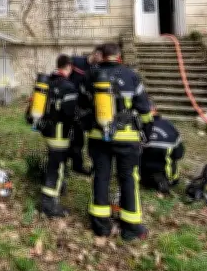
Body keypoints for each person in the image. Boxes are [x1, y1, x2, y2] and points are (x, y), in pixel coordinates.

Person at [86, 42, 152, 241]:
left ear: (102, 55)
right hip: (127, 137)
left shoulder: (90, 75)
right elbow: (144, 108)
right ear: (118, 55)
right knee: (129, 178)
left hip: (98, 137)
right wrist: (147, 130)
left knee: (101, 176)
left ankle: (100, 225)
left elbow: (81, 105)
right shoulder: (131, 75)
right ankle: (131, 227)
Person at [38, 54, 79, 218]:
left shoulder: (47, 82)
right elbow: (70, 113)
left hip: (47, 131)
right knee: (58, 167)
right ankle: (49, 204)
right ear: (68, 67)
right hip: (60, 133)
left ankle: (56, 189)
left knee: (53, 161)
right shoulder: (68, 86)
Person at [140, 110, 185, 193]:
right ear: (155, 110)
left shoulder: (138, 128)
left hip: (143, 180)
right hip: (170, 180)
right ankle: (163, 179)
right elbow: (179, 154)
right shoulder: (169, 126)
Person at [68, 52, 97, 175]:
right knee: (69, 138)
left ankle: (77, 165)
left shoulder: (96, 68)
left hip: (83, 108)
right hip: (69, 103)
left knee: (79, 139)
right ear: (96, 53)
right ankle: (65, 165)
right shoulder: (76, 61)